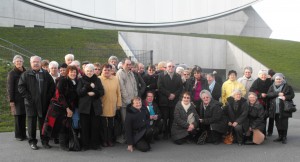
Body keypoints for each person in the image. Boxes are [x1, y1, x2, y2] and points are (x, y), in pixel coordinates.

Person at [18, 56, 55, 150]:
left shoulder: (46, 74)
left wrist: (47, 98)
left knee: (43, 123)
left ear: (40, 63)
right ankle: (32, 142)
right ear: (30, 63)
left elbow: (52, 87)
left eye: (38, 62)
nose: (36, 63)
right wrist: (30, 98)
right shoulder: (26, 74)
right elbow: (21, 88)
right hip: (31, 104)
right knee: (31, 123)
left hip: (43, 103)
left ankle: (45, 141)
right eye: (34, 62)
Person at [42, 65, 79, 151]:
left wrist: (71, 108)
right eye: (71, 72)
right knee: (49, 125)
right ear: (67, 72)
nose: (73, 73)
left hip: (67, 108)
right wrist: (67, 108)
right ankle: (45, 142)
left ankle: (63, 144)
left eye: (75, 72)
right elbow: (59, 95)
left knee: (63, 126)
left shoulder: (75, 82)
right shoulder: (62, 80)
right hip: (56, 107)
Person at [77, 64, 104, 150]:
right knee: (85, 127)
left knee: (95, 126)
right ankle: (85, 145)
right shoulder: (81, 80)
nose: (89, 72)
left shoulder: (97, 80)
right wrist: (88, 87)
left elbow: (102, 91)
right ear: (85, 71)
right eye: (87, 71)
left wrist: (95, 93)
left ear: (94, 71)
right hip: (84, 107)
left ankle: (95, 144)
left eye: (91, 71)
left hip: (95, 107)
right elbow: (79, 92)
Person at [267, 73, 295, 144]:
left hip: (284, 108)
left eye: (280, 79)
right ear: (274, 79)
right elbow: (269, 95)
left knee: (284, 123)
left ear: (283, 79)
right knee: (277, 123)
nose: (278, 80)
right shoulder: (272, 86)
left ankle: (284, 137)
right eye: (277, 79)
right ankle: (280, 136)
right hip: (275, 108)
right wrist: (277, 94)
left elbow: (292, 95)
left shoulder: (287, 86)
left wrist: (285, 97)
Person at [158, 61, 183, 139]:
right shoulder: (161, 75)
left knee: (172, 118)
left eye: (172, 66)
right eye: (169, 66)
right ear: (166, 67)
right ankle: (165, 133)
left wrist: (174, 95)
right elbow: (160, 87)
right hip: (164, 100)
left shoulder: (178, 76)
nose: (171, 68)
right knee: (165, 118)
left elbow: (180, 88)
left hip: (174, 100)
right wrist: (169, 94)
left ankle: (170, 132)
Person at [99, 64, 122, 147]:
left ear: (111, 71)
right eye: (105, 70)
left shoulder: (115, 79)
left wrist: (119, 104)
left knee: (111, 125)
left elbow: (118, 92)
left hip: (113, 106)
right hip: (103, 105)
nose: (107, 71)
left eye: (109, 70)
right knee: (104, 125)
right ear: (102, 70)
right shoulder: (99, 79)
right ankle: (104, 140)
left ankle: (110, 140)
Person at [116, 58, 138, 143]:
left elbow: (134, 85)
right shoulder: (120, 73)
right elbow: (122, 88)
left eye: (130, 64)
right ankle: (124, 137)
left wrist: (135, 97)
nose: (129, 66)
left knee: (132, 120)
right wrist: (128, 100)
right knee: (125, 121)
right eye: (127, 64)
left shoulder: (131, 73)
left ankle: (129, 137)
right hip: (125, 103)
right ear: (123, 64)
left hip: (132, 102)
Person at [7, 55, 27, 141]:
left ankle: (24, 134)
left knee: (23, 116)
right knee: (18, 117)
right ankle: (19, 135)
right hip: (16, 99)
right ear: (14, 63)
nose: (19, 63)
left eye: (20, 61)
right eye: (17, 61)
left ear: (23, 62)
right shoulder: (12, 73)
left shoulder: (25, 71)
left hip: (25, 98)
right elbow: (10, 88)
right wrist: (11, 100)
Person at [249, 70, 272, 136]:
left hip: (268, 101)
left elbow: (272, 89)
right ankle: (259, 133)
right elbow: (252, 90)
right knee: (259, 117)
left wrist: (268, 94)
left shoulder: (269, 81)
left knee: (265, 117)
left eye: (264, 75)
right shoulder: (257, 81)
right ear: (259, 75)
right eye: (262, 75)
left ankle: (265, 133)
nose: (263, 76)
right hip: (259, 102)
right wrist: (260, 94)